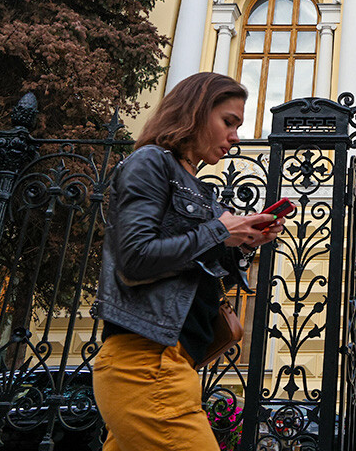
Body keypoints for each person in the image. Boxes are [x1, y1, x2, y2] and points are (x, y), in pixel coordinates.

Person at [93, 72, 284, 451]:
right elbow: (135, 259)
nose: (236, 137)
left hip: (172, 362)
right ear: (196, 112)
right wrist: (218, 231)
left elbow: (193, 280)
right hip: (145, 363)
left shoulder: (198, 187)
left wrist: (242, 244)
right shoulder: (151, 163)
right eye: (228, 122)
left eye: (238, 126)